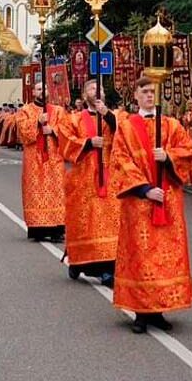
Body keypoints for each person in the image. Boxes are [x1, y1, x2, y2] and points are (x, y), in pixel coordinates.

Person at [110, 75, 192, 334]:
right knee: (142, 258)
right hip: (140, 203)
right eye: (144, 91)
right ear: (135, 95)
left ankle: (159, 309)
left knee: (164, 258)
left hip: (167, 201)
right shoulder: (126, 127)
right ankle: (141, 313)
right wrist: (145, 190)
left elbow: (188, 150)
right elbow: (120, 161)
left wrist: (169, 156)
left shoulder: (171, 125)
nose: (149, 95)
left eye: (152, 92)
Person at [57, 78, 120, 287]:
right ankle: (81, 262)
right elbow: (65, 142)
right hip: (84, 179)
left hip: (109, 178)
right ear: (85, 96)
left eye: (100, 87)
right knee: (87, 224)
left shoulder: (114, 116)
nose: (97, 90)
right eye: (92, 88)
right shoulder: (74, 119)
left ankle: (108, 267)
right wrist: (88, 143)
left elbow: (126, 134)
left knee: (110, 224)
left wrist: (107, 115)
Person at [16, 81, 67, 242]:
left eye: (44, 88)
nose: (41, 91)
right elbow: (23, 134)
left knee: (57, 191)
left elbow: (67, 130)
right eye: (38, 89)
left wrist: (52, 130)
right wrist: (37, 122)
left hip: (54, 158)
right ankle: (38, 229)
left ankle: (57, 230)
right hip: (34, 159)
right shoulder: (25, 110)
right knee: (35, 192)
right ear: (33, 92)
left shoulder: (58, 111)